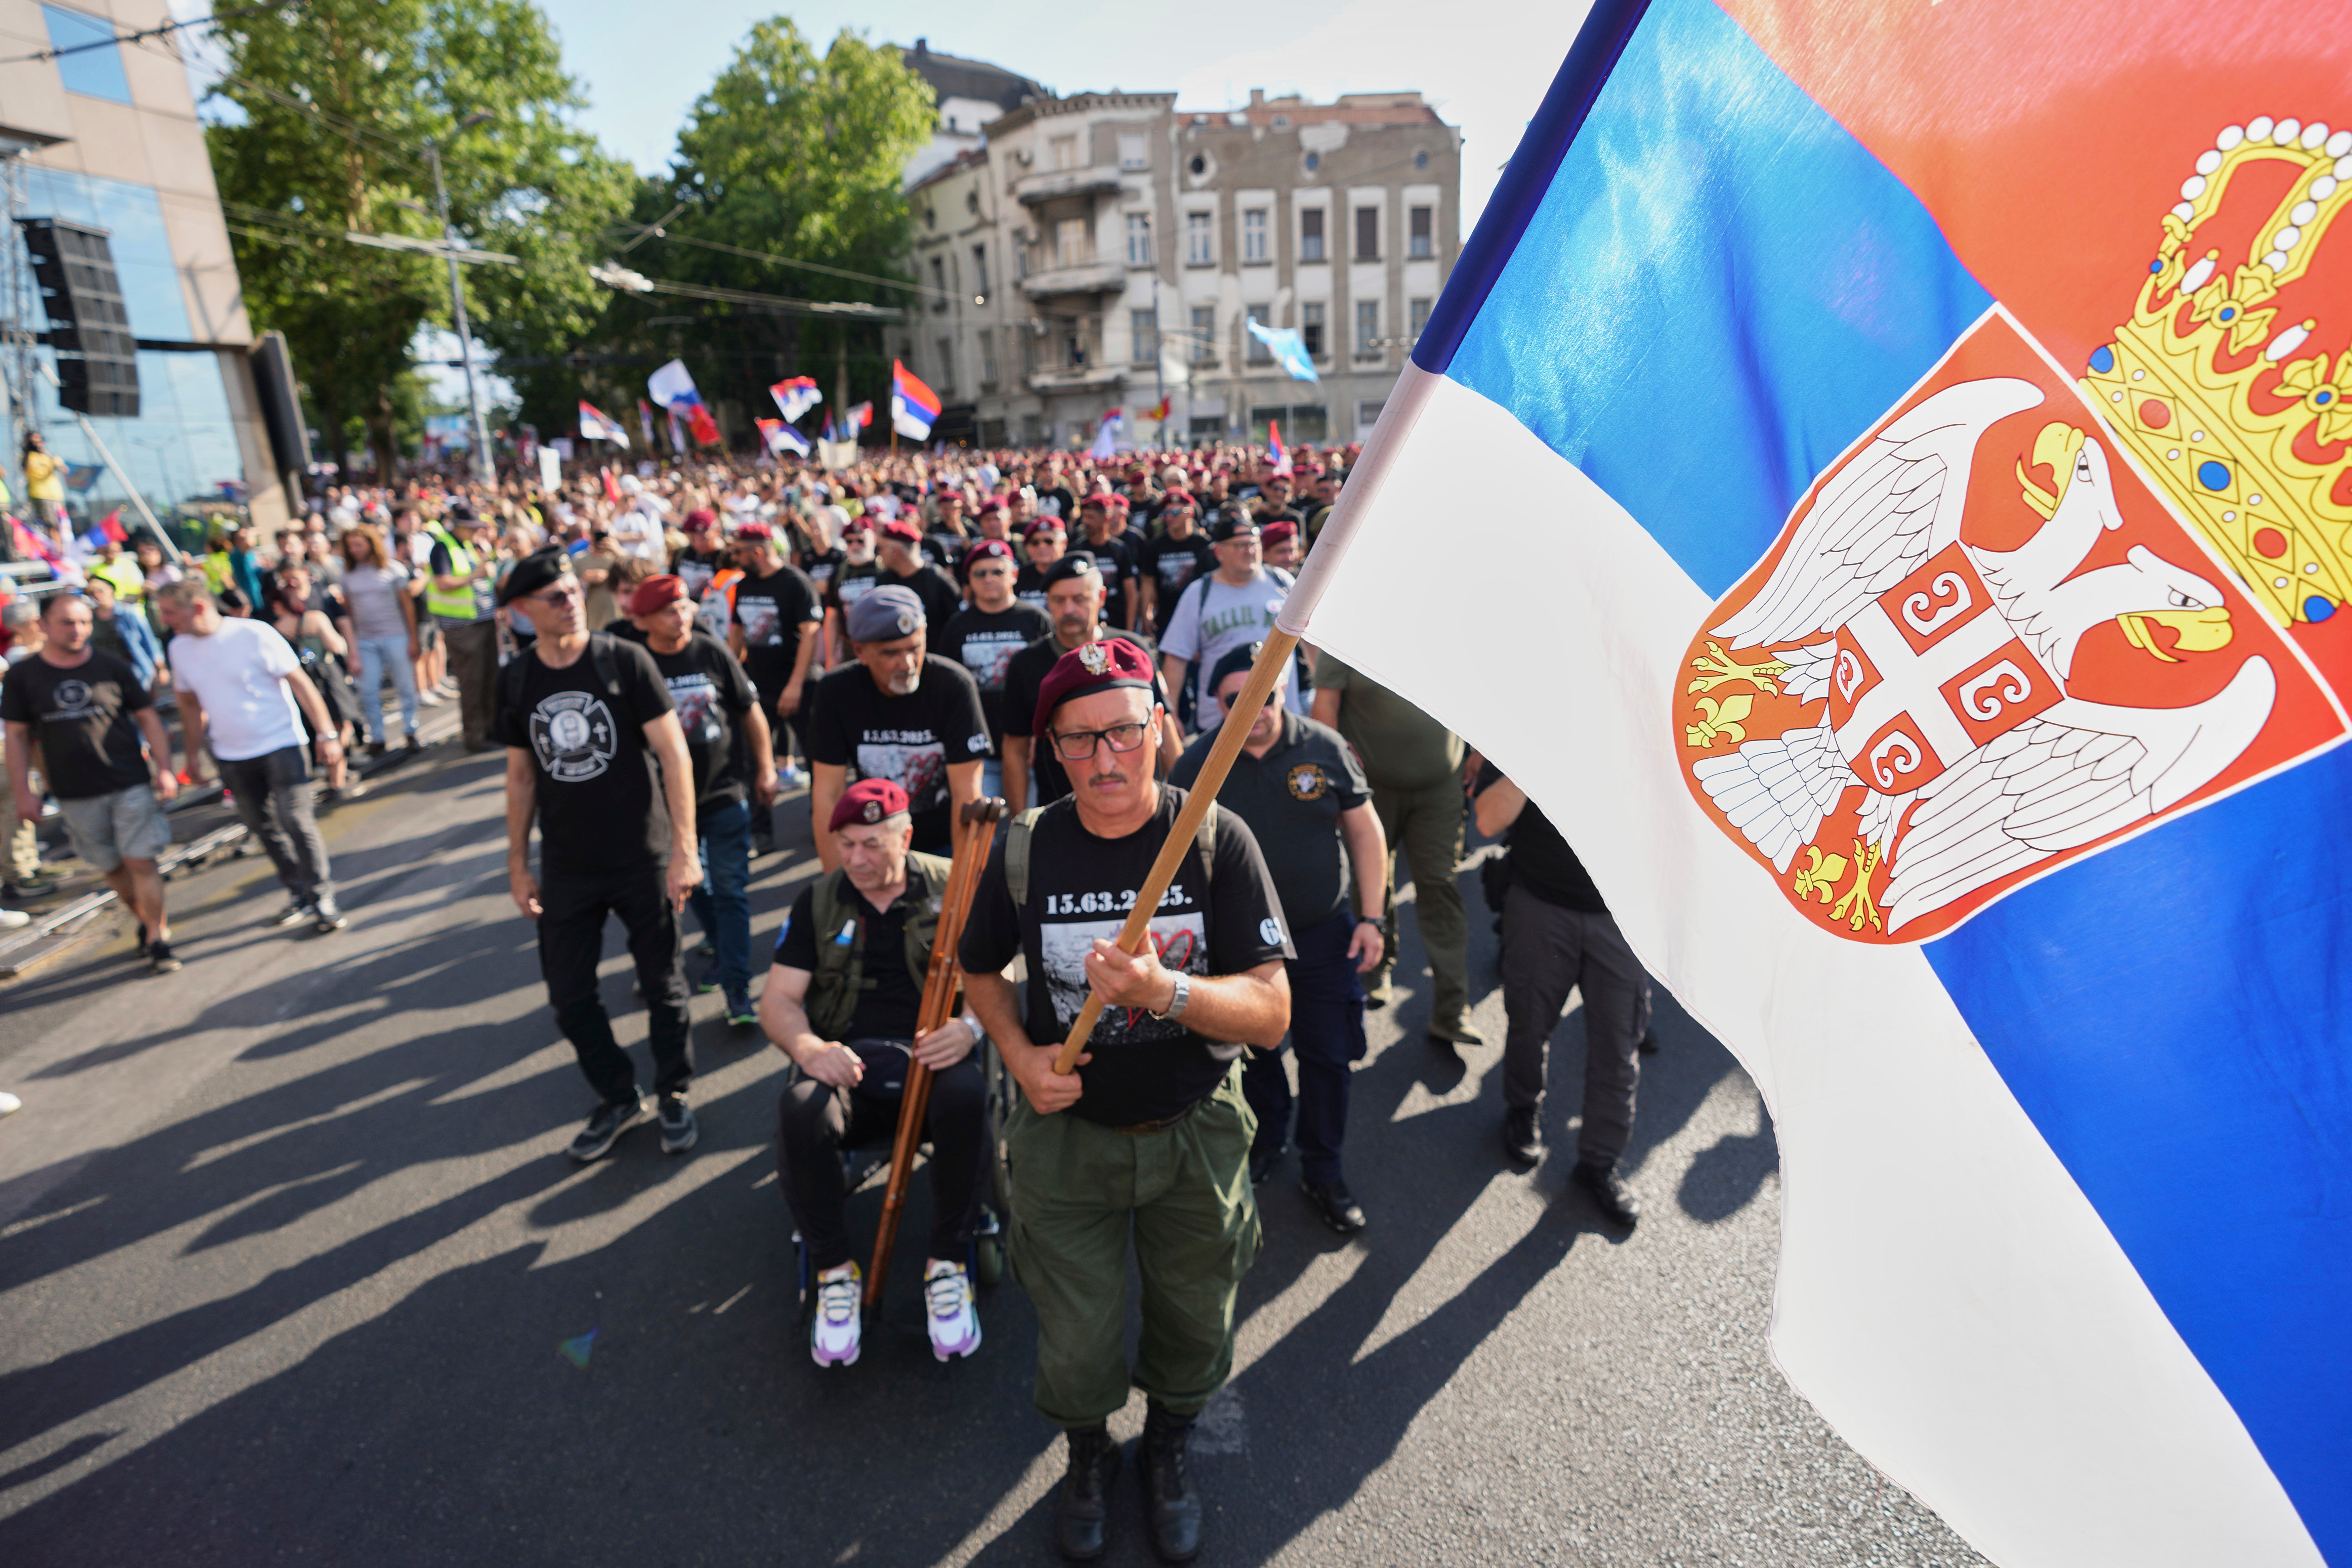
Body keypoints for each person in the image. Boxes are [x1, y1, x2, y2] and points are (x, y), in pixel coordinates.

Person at [958, 637, 1292, 1565]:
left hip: (1197, 1128)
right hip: (1067, 1136)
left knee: (1197, 1314)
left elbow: (1271, 1014)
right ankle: (1089, 1451)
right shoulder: (1026, 848)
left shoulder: (1217, 837)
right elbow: (978, 970)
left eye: (1124, 731)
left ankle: (1169, 1444)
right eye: (1080, 739)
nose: (1106, 758)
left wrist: (1166, 992)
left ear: (1161, 726)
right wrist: (1020, 1053)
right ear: (1053, 749)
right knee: (1074, 1333)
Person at [761, 778, 990, 1368]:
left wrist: (970, 1028)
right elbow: (778, 1000)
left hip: (932, 1059)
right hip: (850, 1063)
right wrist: (810, 1048)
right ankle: (835, 1270)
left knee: (968, 1092)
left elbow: (999, 975)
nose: (856, 859)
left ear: (906, 837)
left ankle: (948, 1262)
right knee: (801, 1107)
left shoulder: (956, 885)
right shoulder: (818, 900)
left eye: (871, 844)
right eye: (846, 844)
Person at [495, 548, 705, 1162]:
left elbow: (674, 754)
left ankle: (673, 1091)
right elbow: (520, 777)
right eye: (555, 597)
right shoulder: (518, 678)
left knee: (663, 985)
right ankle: (618, 1095)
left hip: (644, 853)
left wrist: (684, 850)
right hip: (568, 864)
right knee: (569, 996)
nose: (571, 602)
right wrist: (517, 863)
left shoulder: (623, 659)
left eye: (572, 590)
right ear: (522, 610)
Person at [1170, 642, 1386, 1233]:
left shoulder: (1325, 746)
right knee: (1256, 1053)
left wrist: (1373, 919)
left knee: (1329, 1057)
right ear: (1215, 704)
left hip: (1323, 936)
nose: (1255, 710)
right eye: (1236, 700)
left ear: (1283, 689)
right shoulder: (1197, 764)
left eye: (1265, 696)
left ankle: (1324, 1168)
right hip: (1242, 948)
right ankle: (1269, 1137)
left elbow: (1365, 832)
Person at [1472, 763, 1645, 1229]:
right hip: (1541, 903)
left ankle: (1600, 1162)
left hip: (1621, 919)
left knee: (1618, 1049)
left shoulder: (1647, 735)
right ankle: (1522, 1107)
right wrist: (1535, 754)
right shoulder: (1533, 729)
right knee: (1529, 1022)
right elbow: (1487, 820)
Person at [618, 574, 773, 1027]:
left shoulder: (711, 650)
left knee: (730, 889)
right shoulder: (635, 663)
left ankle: (738, 989)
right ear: (643, 620)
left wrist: (766, 767)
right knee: (694, 884)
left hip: (724, 792)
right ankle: (721, 947)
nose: (682, 616)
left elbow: (749, 709)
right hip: (666, 806)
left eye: (685, 606)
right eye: (669, 611)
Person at [1, 593, 182, 971]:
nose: (78, 630)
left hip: (129, 781)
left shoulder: (111, 665)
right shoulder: (23, 676)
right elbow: (16, 736)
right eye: (68, 622)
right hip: (73, 791)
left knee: (141, 860)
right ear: (43, 625)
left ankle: (158, 937)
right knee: (112, 867)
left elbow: (148, 717)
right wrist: (25, 793)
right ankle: (147, 922)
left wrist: (165, 767)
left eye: (84, 622)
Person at [155, 580, 348, 932]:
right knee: (262, 826)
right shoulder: (180, 648)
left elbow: (301, 683)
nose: (164, 620)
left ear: (198, 607)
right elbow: (189, 706)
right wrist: (192, 757)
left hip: (281, 743)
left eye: (170, 612)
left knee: (296, 820)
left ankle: (322, 896)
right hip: (231, 753)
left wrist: (327, 734)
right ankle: (299, 891)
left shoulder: (254, 633)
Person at [1310, 650, 1481, 1045]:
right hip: (1370, 787)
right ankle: (1374, 969)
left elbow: (1480, 688)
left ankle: (1452, 1009)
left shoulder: (1456, 625)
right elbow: (1326, 703)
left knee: (1439, 886)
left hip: (1441, 785)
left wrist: (1481, 750)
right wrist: (1337, 779)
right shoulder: (1351, 624)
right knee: (1371, 880)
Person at [801, 585, 987, 868]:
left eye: (915, 647)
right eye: (891, 653)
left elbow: (968, 796)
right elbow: (828, 795)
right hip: (874, 840)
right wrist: (836, 882)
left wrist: (962, 881)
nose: (908, 664)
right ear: (860, 651)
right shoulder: (836, 692)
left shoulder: (954, 686)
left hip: (944, 841)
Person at [999, 554, 1180, 816]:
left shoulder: (1132, 650)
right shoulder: (1026, 664)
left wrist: (1185, 805)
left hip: (1142, 809)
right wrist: (1020, 821)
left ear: (1101, 597)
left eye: (1080, 599)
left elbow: (1165, 725)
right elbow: (1015, 750)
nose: (1069, 610)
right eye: (1059, 600)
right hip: (1062, 812)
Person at [1158, 511, 1305, 733]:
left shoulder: (1282, 582)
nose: (1250, 551)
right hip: (1219, 722)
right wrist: (1173, 715)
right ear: (1219, 552)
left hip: (1280, 717)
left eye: (1254, 544)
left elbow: (1310, 643)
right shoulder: (1198, 594)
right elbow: (1176, 659)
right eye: (1240, 545)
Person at [726, 523, 822, 849]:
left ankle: (822, 820)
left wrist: (795, 685)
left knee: (817, 757)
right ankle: (760, 831)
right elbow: (737, 634)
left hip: (801, 686)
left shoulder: (796, 582)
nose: (734, 557)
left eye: (739, 551)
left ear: (757, 552)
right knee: (755, 761)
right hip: (759, 688)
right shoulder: (743, 585)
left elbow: (810, 634)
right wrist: (730, 677)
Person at [938, 539, 1049, 801]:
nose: (989, 579)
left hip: (1029, 751)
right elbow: (945, 690)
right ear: (969, 579)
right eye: (981, 573)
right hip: (979, 754)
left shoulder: (1037, 620)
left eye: (998, 571)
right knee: (981, 825)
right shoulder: (957, 626)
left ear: (1014, 574)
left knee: (1027, 823)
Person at [338, 524, 421, 755]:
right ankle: (377, 737)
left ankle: (411, 730)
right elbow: (348, 611)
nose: (355, 550)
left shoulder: (394, 569)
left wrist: (413, 639)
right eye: (351, 546)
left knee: (405, 686)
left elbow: (408, 606)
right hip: (366, 641)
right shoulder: (347, 575)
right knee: (369, 691)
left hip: (396, 635)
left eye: (359, 545)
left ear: (371, 544)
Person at [426, 506, 500, 752]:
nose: (477, 531)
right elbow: (443, 583)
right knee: (473, 681)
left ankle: (490, 729)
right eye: (473, 527)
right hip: (463, 626)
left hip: (481, 620)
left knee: (489, 678)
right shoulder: (442, 547)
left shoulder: (467, 545)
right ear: (460, 526)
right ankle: (476, 737)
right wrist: (476, 575)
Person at [1136, 492, 1211, 636]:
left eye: (1176, 512)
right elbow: (1148, 582)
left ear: (1190, 513)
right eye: (1166, 513)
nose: (1170, 517)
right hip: (1166, 618)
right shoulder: (1155, 546)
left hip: (1199, 616)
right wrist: (1146, 615)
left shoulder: (1204, 544)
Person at [873, 516, 964, 628]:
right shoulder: (884, 582)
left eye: (880, 548)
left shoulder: (939, 581)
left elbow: (958, 626)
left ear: (895, 552)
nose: (877, 554)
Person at [84, 574, 164, 694]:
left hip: (134, 670)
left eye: (100, 591)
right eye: (91, 593)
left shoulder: (129, 613)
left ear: (111, 590)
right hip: (105, 674)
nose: (97, 595)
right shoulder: (89, 619)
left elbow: (149, 641)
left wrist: (160, 668)